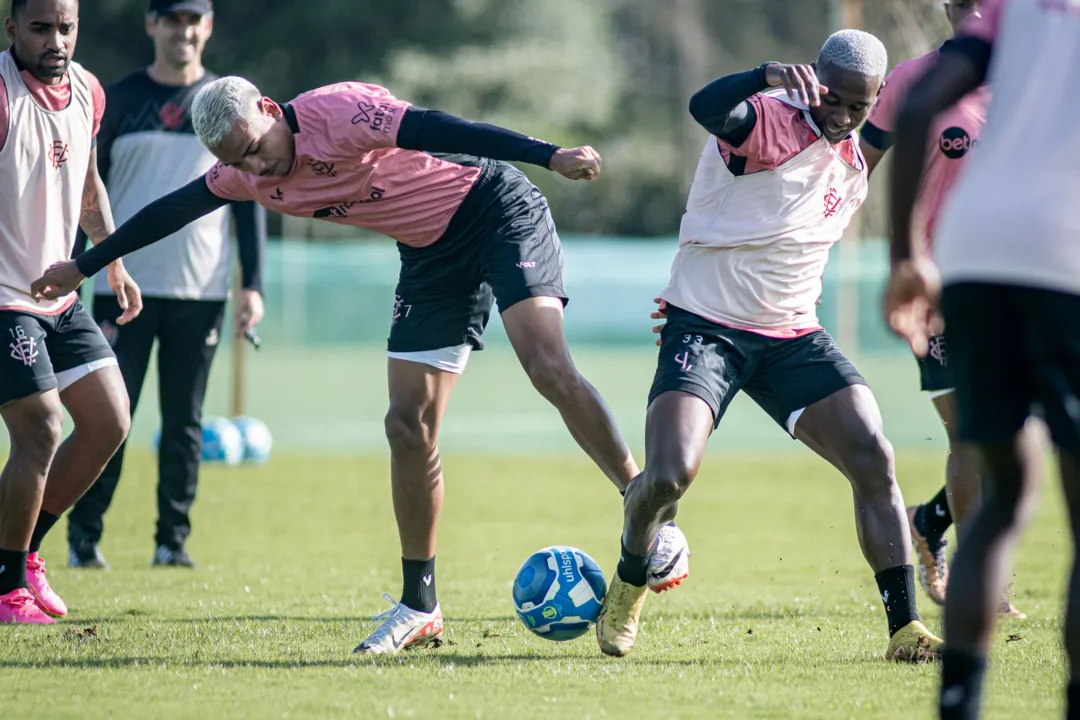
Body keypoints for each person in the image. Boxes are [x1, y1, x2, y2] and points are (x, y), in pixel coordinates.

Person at [29, 75, 691, 651]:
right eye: (240, 163)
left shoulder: (338, 113)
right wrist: (83, 265)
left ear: (267, 108)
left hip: (494, 207)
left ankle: (647, 515)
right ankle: (419, 604)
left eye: (256, 148)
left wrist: (548, 154)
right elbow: (171, 210)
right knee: (406, 425)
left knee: (546, 365)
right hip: (429, 257)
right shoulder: (243, 172)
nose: (256, 170)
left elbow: (440, 126)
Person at [596, 30, 943, 663]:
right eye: (831, 99)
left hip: (791, 337)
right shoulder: (763, 120)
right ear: (813, 78)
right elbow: (705, 108)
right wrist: (765, 74)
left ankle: (904, 630)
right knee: (669, 476)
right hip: (705, 328)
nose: (840, 115)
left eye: (857, 107)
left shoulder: (856, 156)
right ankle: (629, 574)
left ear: (875, 101)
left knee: (874, 456)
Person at [884, 0, 1080, 716]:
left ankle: (959, 702)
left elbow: (915, 110)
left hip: (973, 260)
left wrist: (905, 256)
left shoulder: (1010, 19)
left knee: (1001, 497)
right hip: (1066, 259)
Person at [65, 0, 266, 570]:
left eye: (193, 19)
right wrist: (78, 271)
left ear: (207, 26)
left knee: (185, 423)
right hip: (121, 288)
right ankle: (84, 539)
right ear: (152, 24)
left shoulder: (229, 105)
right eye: (172, 19)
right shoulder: (120, 100)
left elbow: (252, 192)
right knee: (109, 420)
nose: (183, 30)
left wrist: (253, 284)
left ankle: (171, 542)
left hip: (202, 293)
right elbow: (86, 197)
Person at [861, 0, 1030, 619]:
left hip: (1024, 281)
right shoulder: (912, 80)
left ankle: (929, 521)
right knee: (970, 435)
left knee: (1018, 430)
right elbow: (858, 169)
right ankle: (983, 581)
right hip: (942, 289)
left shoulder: (1031, 77)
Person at [0, 0, 141, 624]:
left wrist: (112, 261)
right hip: (5, 299)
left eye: (66, 27)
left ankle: (23, 555)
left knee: (111, 419)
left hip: (59, 295)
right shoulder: (2, 96)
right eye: (40, 28)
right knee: (41, 428)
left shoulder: (88, 90)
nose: (56, 40)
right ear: (11, 30)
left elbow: (86, 187)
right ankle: (5, 588)